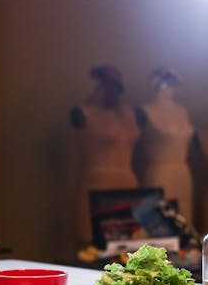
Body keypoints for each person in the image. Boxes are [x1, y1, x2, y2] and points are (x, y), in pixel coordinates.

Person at [70, 64, 140, 246]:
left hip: (127, 183)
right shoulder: (84, 113)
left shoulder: (129, 114)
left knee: (127, 242)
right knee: (92, 242)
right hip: (97, 184)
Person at [135, 67, 196, 226]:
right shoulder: (146, 110)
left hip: (182, 173)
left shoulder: (182, 111)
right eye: (166, 83)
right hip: (159, 173)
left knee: (184, 223)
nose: (169, 88)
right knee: (160, 222)